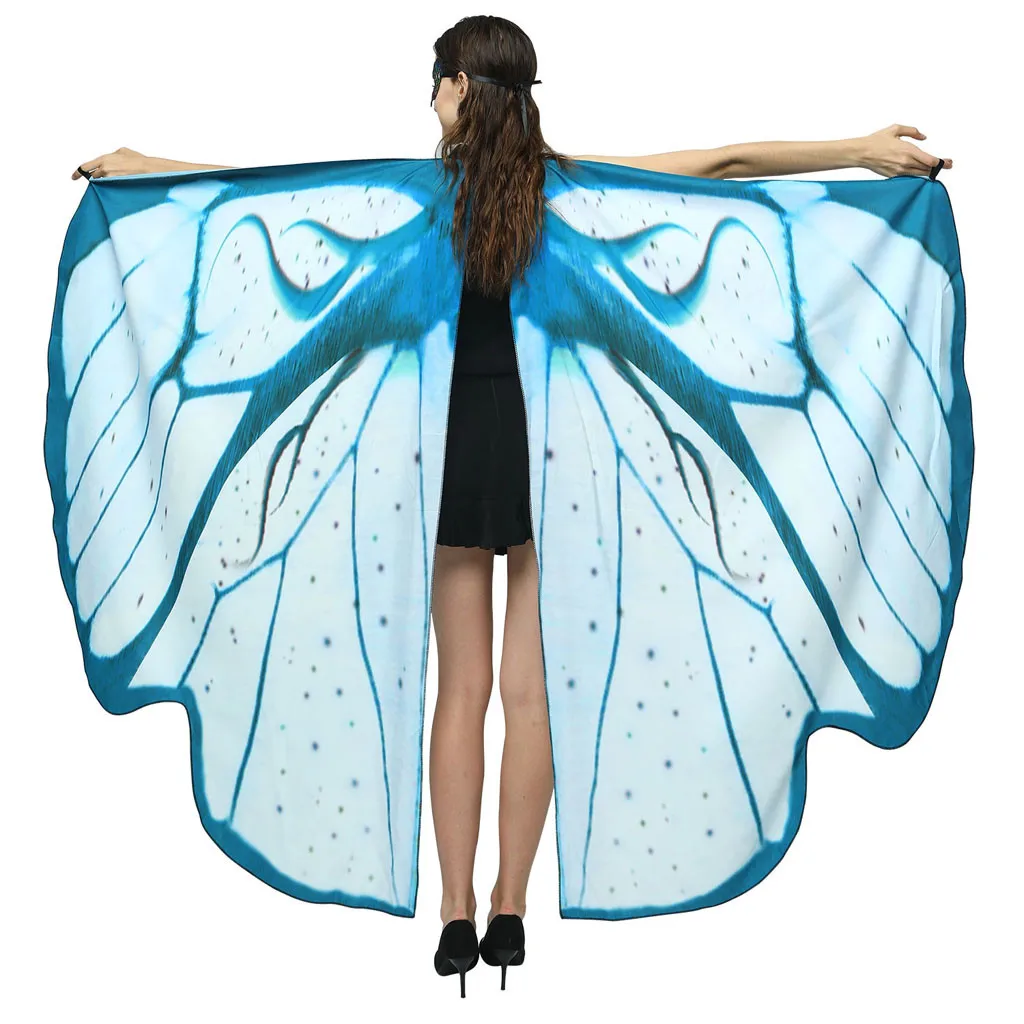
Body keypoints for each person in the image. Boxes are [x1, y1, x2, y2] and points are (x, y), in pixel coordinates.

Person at [72, 14, 953, 998]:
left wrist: (142, 171)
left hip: (451, 455)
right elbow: (722, 164)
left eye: (433, 80)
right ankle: (509, 909)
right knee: (531, 692)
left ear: (457, 86)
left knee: (461, 689)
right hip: (548, 460)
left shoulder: (417, 200)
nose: (429, 98)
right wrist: (858, 151)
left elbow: (260, 195)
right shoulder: (567, 192)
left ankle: (453, 911)